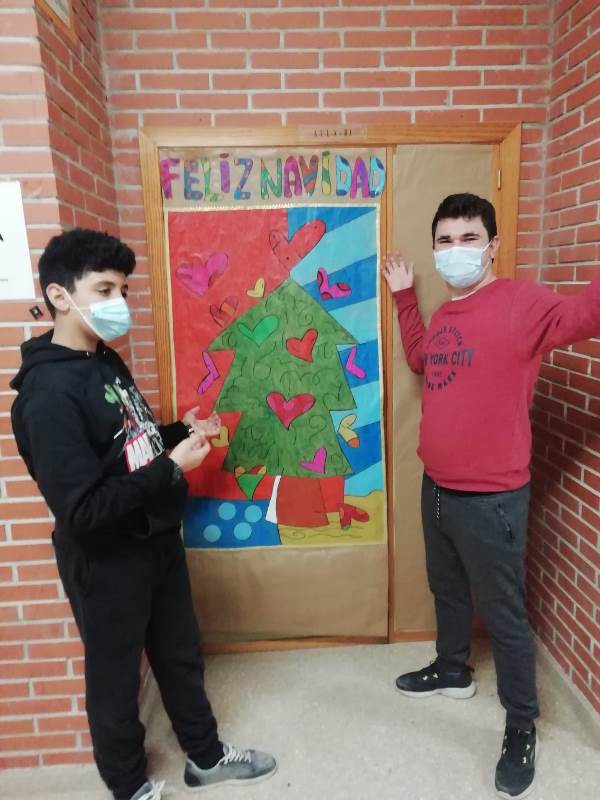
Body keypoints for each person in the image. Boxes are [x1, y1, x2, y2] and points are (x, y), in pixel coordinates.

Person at [10, 229, 277, 800]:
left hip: (154, 539)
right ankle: (130, 787)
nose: (119, 303)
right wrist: (171, 468)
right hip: (105, 561)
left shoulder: (102, 359)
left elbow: (128, 445)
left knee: (180, 654)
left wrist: (178, 432)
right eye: (104, 289)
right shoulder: (47, 395)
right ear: (60, 295)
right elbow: (83, 509)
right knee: (115, 679)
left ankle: (205, 757)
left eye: (123, 290)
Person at [382, 193, 600, 800]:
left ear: (493, 245)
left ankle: (521, 725)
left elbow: (587, 316)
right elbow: (422, 359)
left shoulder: (521, 303)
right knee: (447, 587)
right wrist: (405, 298)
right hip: (436, 487)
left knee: (504, 617)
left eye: (468, 238)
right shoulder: (447, 315)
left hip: (492, 501)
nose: (456, 251)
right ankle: (452, 668)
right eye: (445, 241)